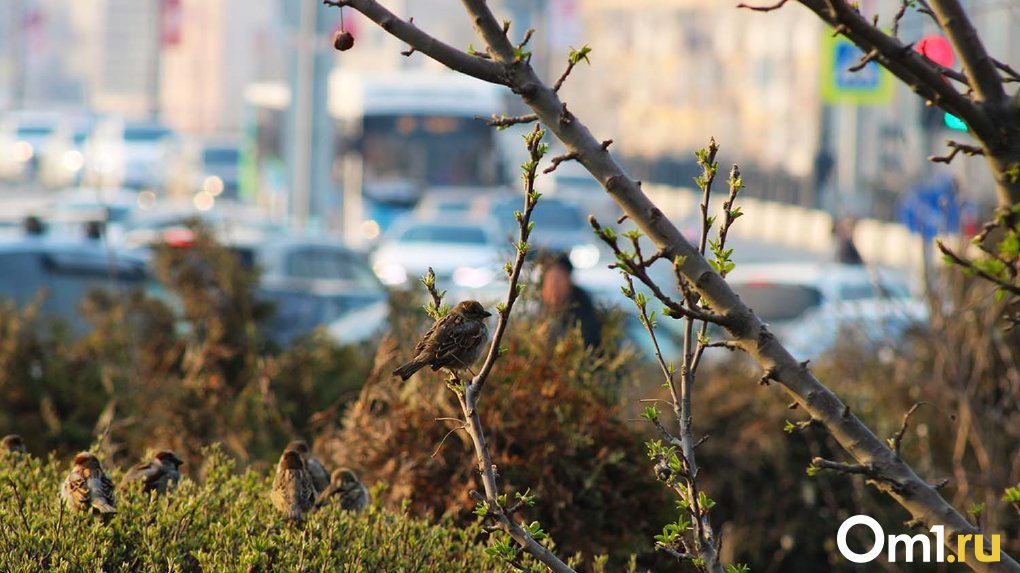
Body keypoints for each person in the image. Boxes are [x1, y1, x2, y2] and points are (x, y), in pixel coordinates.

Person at [540, 253, 601, 349]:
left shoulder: (583, 309)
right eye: (549, 282)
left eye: (558, 280)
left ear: (568, 281)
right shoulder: (539, 311)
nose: (553, 287)